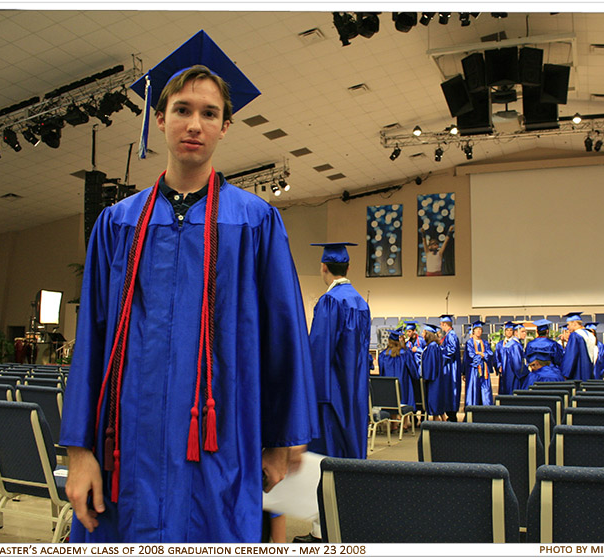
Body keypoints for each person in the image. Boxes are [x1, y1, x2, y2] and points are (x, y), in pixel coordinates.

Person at [60, 31, 317, 543]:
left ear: (226, 125)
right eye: (181, 109)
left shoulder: (255, 222)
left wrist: (280, 442)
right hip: (125, 450)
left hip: (222, 447)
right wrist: (79, 451)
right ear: (159, 120)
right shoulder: (117, 225)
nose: (193, 124)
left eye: (208, 112)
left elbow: (284, 336)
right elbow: (90, 340)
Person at [295, 241, 371, 543]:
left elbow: (318, 352)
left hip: (329, 397)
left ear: (323, 268)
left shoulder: (330, 302)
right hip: (354, 396)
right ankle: (349, 523)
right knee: (350, 457)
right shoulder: (361, 303)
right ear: (348, 268)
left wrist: (307, 398)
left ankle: (322, 531)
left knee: (324, 460)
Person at [377, 329, 418, 408]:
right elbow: (413, 371)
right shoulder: (405, 353)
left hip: (389, 389)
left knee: (391, 407)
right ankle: (405, 419)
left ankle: (392, 418)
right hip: (403, 387)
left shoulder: (383, 355)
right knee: (405, 408)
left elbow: (381, 374)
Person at [463, 321, 496, 406]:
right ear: (473, 331)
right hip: (473, 370)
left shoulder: (485, 343)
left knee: (485, 390)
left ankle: (486, 411)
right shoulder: (469, 343)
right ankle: (472, 409)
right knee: (473, 390)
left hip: (484, 371)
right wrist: (482, 355)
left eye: (480, 329)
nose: (478, 331)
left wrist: (481, 354)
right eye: (477, 329)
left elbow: (490, 354)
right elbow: (471, 356)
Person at [560, 312, 598, 381]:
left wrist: (565, 373)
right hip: (589, 370)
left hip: (578, 372)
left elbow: (571, 356)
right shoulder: (590, 335)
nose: (567, 327)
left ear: (574, 323)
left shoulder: (575, 335)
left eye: (568, 324)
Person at [420, 323, 444, 420]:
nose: (422, 334)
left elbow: (431, 363)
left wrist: (426, 376)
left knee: (434, 400)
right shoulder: (433, 346)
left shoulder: (432, 347)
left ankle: (437, 422)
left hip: (433, 378)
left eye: (424, 332)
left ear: (428, 334)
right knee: (435, 401)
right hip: (435, 377)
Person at [439, 314, 461, 422]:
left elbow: (451, 350)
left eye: (441, 324)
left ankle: (452, 415)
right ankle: (450, 415)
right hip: (449, 367)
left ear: (445, 324)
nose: (441, 326)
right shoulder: (448, 335)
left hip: (451, 367)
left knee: (451, 390)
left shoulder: (451, 335)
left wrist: (440, 352)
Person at [496, 322, 524, 395]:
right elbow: (496, 357)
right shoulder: (500, 344)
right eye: (507, 330)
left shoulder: (515, 343)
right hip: (503, 370)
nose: (509, 332)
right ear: (504, 331)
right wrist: (499, 366)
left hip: (511, 370)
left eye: (510, 330)